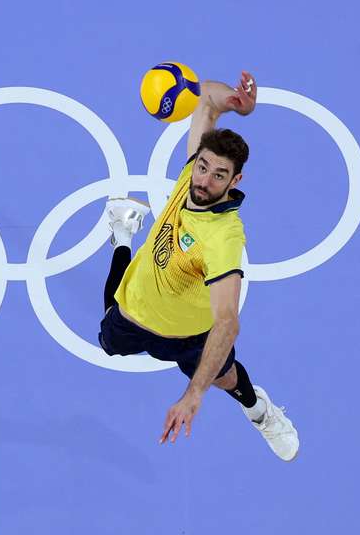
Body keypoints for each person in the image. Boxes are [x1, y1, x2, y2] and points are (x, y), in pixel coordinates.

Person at [99, 71, 299, 461]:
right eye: (203, 166)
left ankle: (261, 412)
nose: (204, 180)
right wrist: (237, 105)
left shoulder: (223, 238)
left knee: (227, 377)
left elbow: (227, 322)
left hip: (189, 337)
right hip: (136, 307)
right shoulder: (195, 173)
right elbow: (205, 98)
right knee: (108, 340)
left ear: (235, 179)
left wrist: (193, 395)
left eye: (219, 175)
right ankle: (123, 233)